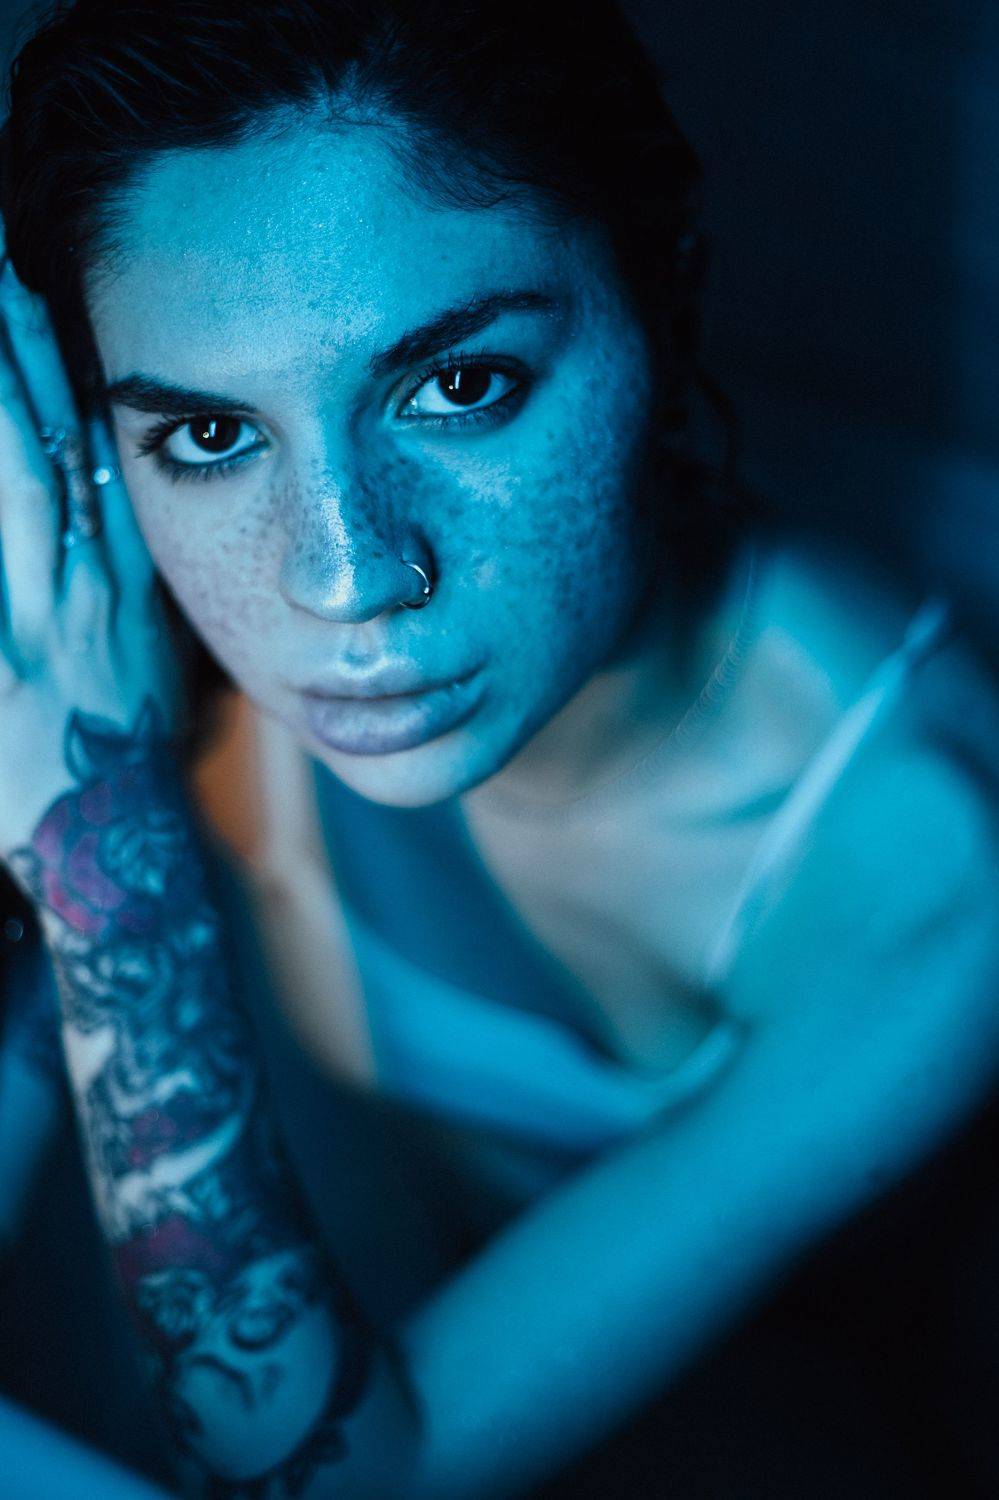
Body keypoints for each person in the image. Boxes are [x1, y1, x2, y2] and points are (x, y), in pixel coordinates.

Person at [0, 1, 997, 1495]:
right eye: (210, 436)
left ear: (661, 299)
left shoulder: (926, 873)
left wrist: (103, 858)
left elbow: (348, 1480)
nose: (345, 577)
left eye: (460, 386)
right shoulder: (148, 621)